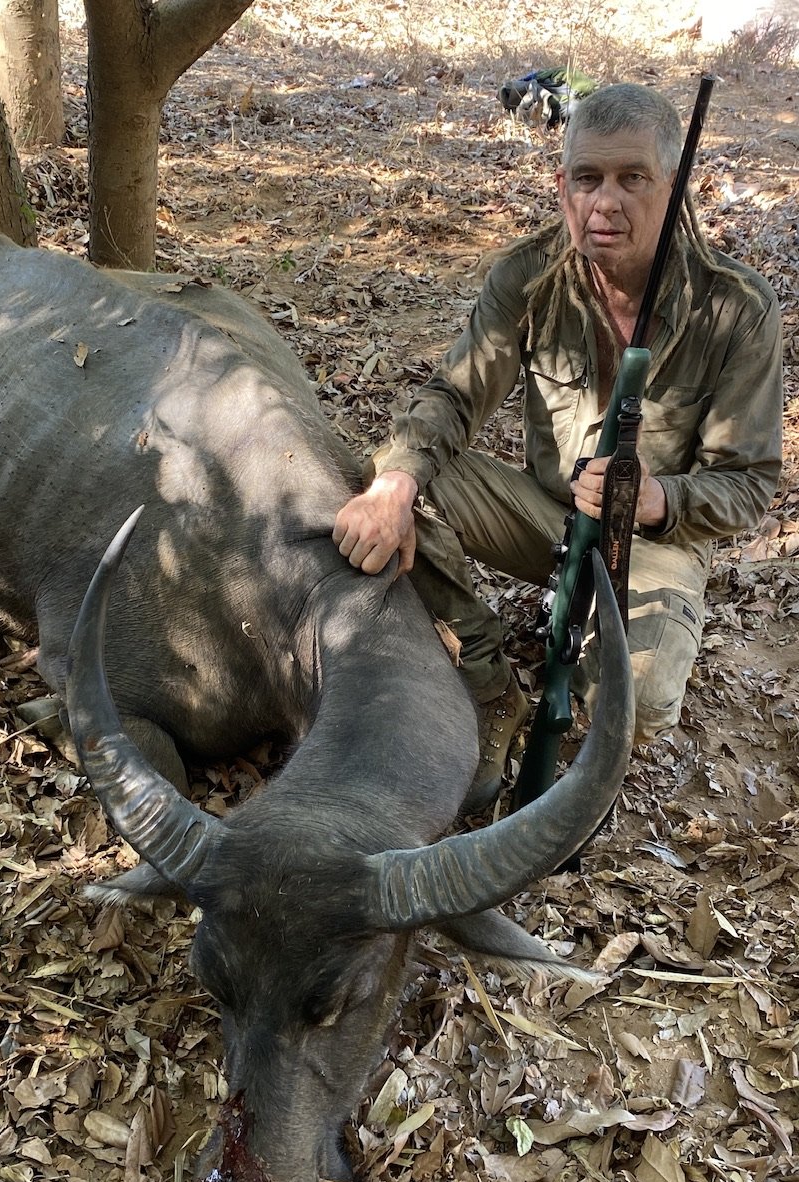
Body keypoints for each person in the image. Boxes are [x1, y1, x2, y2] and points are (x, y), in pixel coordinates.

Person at [332, 82, 783, 810]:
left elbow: (749, 482)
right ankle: (487, 682)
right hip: (542, 512)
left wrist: (659, 499)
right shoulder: (529, 275)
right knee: (392, 482)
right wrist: (395, 486)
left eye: (632, 178)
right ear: (562, 184)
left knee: (640, 696)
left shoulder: (735, 307)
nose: (605, 202)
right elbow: (454, 397)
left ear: (671, 187)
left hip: (653, 541)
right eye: (587, 178)